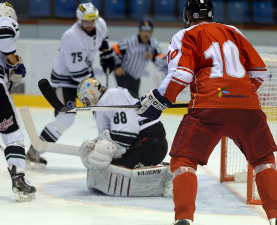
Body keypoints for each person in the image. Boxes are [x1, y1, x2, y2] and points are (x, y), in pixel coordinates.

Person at [136, 0, 277, 225]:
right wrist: (237, 95)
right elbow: (259, 71)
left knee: (184, 161)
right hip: (248, 107)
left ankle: (184, 218)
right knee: (263, 161)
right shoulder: (234, 32)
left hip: (208, 108)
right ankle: (275, 216)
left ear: (188, 16)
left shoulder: (186, 35)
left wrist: (160, 100)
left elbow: (181, 74)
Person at [26, 2, 114, 166]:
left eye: (92, 20)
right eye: (86, 21)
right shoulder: (71, 36)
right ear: (79, 19)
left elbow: (103, 42)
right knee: (66, 118)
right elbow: (77, 73)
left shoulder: (100, 24)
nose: (89, 24)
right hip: (65, 80)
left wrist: (106, 55)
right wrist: (97, 88)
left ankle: (110, 145)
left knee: (100, 110)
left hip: (85, 75)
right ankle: (34, 151)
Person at [0, 2, 36, 201]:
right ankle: (18, 180)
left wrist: (9, 67)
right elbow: (4, 36)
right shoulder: (3, 22)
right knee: (13, 134)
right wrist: (14, 63)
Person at [77, 77, 172, 197]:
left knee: (113, 167)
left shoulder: (110, 96)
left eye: (86, 99)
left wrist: (103, 151)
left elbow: (127, 133)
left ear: (92, 92)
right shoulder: (109, 98)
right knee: (107, 163)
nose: (87, 104)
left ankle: (170, 176)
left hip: (149, 143)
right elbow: (109, 135)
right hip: (147, 141)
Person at [112, 18, 167, 97]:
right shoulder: (130, 41)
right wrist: (117, 66)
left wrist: (153, 58)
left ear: (151, 33)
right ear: (140, 31)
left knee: (134, 99)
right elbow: (115, 49)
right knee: (125, 98)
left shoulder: (153, 44)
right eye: (143, 31)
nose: (145, 34)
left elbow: (162, 61)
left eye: (148, 31)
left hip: (136, 77)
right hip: (124, 74)